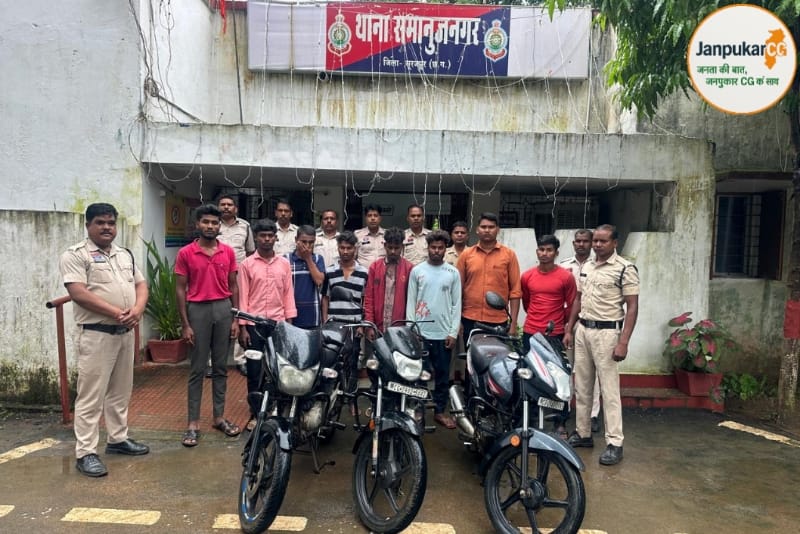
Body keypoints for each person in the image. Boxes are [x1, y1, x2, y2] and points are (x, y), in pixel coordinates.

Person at [59, 203, 150, 477]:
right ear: (88, 225)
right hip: (96, 334)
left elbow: (141, 284)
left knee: (120, 392)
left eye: (111, 223)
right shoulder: (76, 255)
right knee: (91, 396)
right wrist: (116, 313)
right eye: (100, 222)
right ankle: (86, 452)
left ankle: (118, 439)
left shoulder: (124, 254)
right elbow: (78, 292)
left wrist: (138, 310)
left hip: (125, 334)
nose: (107, 227)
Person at [564, 224, 639, 466]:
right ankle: (583, 433)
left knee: (609, 391)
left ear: (615, 243)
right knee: (582, 386)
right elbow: (578, 298)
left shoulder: (624, 268)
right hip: (583, 330)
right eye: (595, 240)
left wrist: (623, 342)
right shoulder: (587, 266)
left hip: (607, 334)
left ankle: (615, 443)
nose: (597, 244)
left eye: (603, 241)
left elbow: (632, 307)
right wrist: (569, 328)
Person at [175, 204, 241, 447]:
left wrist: (235, 318)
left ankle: (219, 417)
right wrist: (185, 324)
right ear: (197, 224)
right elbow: (180, 289)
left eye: (214, 222)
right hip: (198, 310)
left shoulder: (227, 252)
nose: (210, 226)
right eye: (206, 222)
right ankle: (193, 423)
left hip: (223, 309)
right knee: (197, 368)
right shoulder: (186, 253)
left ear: (219, 225)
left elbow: (233, 285)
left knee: (221, 367)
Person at [238, 219, 297, 431]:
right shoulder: (247, 265)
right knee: (254, 370)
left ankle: (274, 409)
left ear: (275, 238)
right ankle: (255, 413)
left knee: (277, 369)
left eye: (270, 236)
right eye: (262, 236)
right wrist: (243, 327)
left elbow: (288, 294)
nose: (266, 239)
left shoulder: (283, 264)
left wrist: (289, 326)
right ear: (255, 238)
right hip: (253, 325)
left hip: (277, 324)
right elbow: (243, 297)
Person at [520, 234, 577, 438]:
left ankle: (560, 422)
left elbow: (571, 305)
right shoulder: (527, 276)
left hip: (555, 334)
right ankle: (531, 417)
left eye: (549, 250)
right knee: (530, 375)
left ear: (556, 253)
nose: (545, 253)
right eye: (541, 249)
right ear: (537, 251)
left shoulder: (566, 277)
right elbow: (527, 303)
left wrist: (567, 329)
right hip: (530, 332)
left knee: (558, 377)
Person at [406, 230, 462, 429]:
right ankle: (418, 410)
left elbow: (456, 304)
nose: (436, 251)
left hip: (444, 334)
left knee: (442, 375)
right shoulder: (417, 271)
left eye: (440, 248)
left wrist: (453, 332)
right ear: (428, 248)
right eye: (433, 247)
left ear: (445, 249)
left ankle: (439, 411)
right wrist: (412, 329)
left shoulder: (452, 273)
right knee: (420, 375)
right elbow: (411, 301)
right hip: (421, 333)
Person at [561, 229, 602, 433]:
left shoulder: (598, 266)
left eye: (585, 241)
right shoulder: (563, 266)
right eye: (578, 241)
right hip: (568, 325)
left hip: (590, 323)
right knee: (566, 368)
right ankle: (565, 409)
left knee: (591, 372)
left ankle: (592, 415)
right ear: (573, 243)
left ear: (591, 243)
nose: (581, 244)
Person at [456, 212, 522, 337]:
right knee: (471, 350)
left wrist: (513, 324)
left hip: (498, 320)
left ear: (498, 230)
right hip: (470, 318)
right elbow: (458, 289)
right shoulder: (466, 255)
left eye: (491, 227)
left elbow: (515, 291)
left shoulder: (509, 255)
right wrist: (457, 320)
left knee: (497, 350)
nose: (487, 230)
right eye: (483, 227)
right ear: (477, 230)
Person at [322, 231, 369, 397]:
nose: (345, 251)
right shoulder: (330, 271)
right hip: (334, 327)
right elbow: (325, 298)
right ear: (338, 248)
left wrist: (362, 325)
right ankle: (331, 400)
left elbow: (365, 300)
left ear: (355, 249)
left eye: (349, 248)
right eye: (342, 248)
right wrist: (325, 321)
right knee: (331, 364)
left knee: (352, 363)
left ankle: (351, 401)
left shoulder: (364, 272)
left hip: (354, 326)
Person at [217, 194, 255, 377]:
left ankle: (241, 359)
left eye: (229, 205)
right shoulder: (214, 225)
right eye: (223, 204)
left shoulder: (245, 226)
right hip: (217, 276)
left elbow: (250, 252)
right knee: (218, 314)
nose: (226, 207)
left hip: (239, 276)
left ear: (236, 208)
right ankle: (214, 361)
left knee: (241, 313)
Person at [363, 227, 414, 337]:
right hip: (377, 328)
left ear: (402, 247)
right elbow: (369, 298)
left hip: (401, 329)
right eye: (390, 247)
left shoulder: (409, 268)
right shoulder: (375, 267)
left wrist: (409, 327)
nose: (393, 251)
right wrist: (369, 324)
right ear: (385, 245)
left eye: (396, 248)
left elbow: (412, 301)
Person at [286, 225, 325, 329]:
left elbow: (319, 281)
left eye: (311, 242)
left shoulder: (318, 259)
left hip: (312, 315)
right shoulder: (286, 259)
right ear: (296, 240)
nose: (307, 246)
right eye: (304, 242)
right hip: (291, 316)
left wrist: (308, 258)